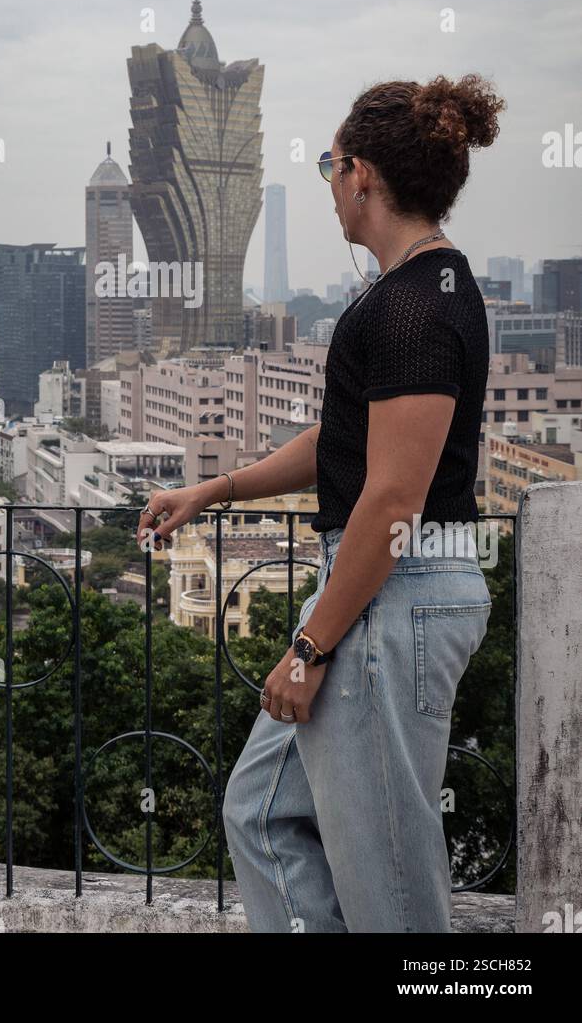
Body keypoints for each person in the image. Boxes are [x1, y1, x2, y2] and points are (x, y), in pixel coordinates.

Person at [136, 74, 505, 933]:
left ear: (361, 173)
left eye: (329, 165)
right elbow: (344, 445)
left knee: (392, 895)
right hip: (377, 589)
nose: (328, 185)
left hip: (394, 591)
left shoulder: (419, 307)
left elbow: (392, 498)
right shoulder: (406, 296)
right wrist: (214, 490)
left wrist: (308, 646)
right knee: (259, 815)